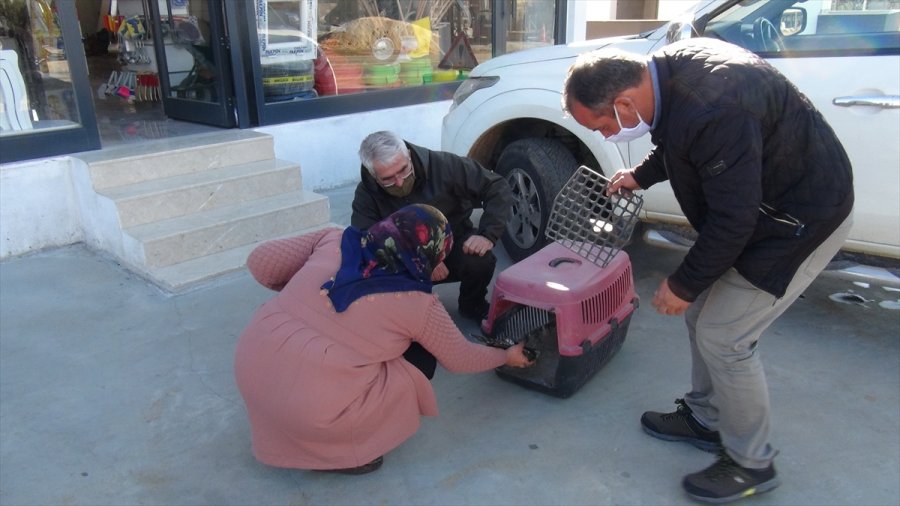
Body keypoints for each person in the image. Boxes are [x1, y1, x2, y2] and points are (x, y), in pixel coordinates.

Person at [563, 38, 853, 503]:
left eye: (599, 125)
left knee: (726, 337)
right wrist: (642, 173)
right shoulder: (669, 78)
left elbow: (732, 219)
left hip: (801, 221)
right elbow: (680, 141)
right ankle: (707, 418)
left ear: (623, 103)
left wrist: (684, 283)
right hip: (768, 207)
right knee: (704, 319)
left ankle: (751, 463)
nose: (602, 135)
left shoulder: (713, 107)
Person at [234, 204, 533, 475]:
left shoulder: (335, 239)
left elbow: (260, 262)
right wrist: (505, 356)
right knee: (421, 355)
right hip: (313, 415)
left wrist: (304, 297)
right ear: (430, 254)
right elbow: (460, 359)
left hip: (251, 369)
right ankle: (345, 455)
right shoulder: (416, 303)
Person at [351, 130, 513, 328]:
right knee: (371, 274)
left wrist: (488, 234)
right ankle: (406, 317)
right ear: (373, 175)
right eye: (388, 179)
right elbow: (365, 239)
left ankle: (472, 304)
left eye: (403, 170)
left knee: (480, 259)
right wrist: (422, 260)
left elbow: (496, 186)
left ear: (409, 155)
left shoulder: (443, 165)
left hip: (453, 240)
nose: (400, 182)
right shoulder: (366, 193)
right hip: (405, 256)